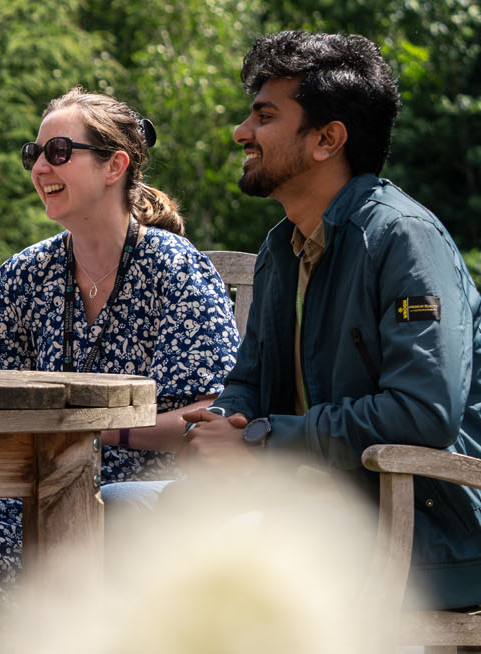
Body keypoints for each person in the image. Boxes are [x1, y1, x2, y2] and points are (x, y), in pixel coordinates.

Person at [175, 29, 481, 611]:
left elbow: (424, 413)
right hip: (313, 510)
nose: (241, 131)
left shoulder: (403, 239)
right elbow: (250, 382)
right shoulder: (281, 249)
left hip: (425, 538)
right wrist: (218, 426)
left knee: (182, 566)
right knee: (123, 511)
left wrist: (263, 440)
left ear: (327, 139)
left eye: (264, 116)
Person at [0, 89, 240, 590]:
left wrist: (92, 432)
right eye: (34, 153)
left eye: (58, 151)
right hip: (38, 480)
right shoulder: (27, 274)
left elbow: (213, 410)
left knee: (37, 523)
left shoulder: (172, 267)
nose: (41, 167)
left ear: (114, 166)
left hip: (149, 496)